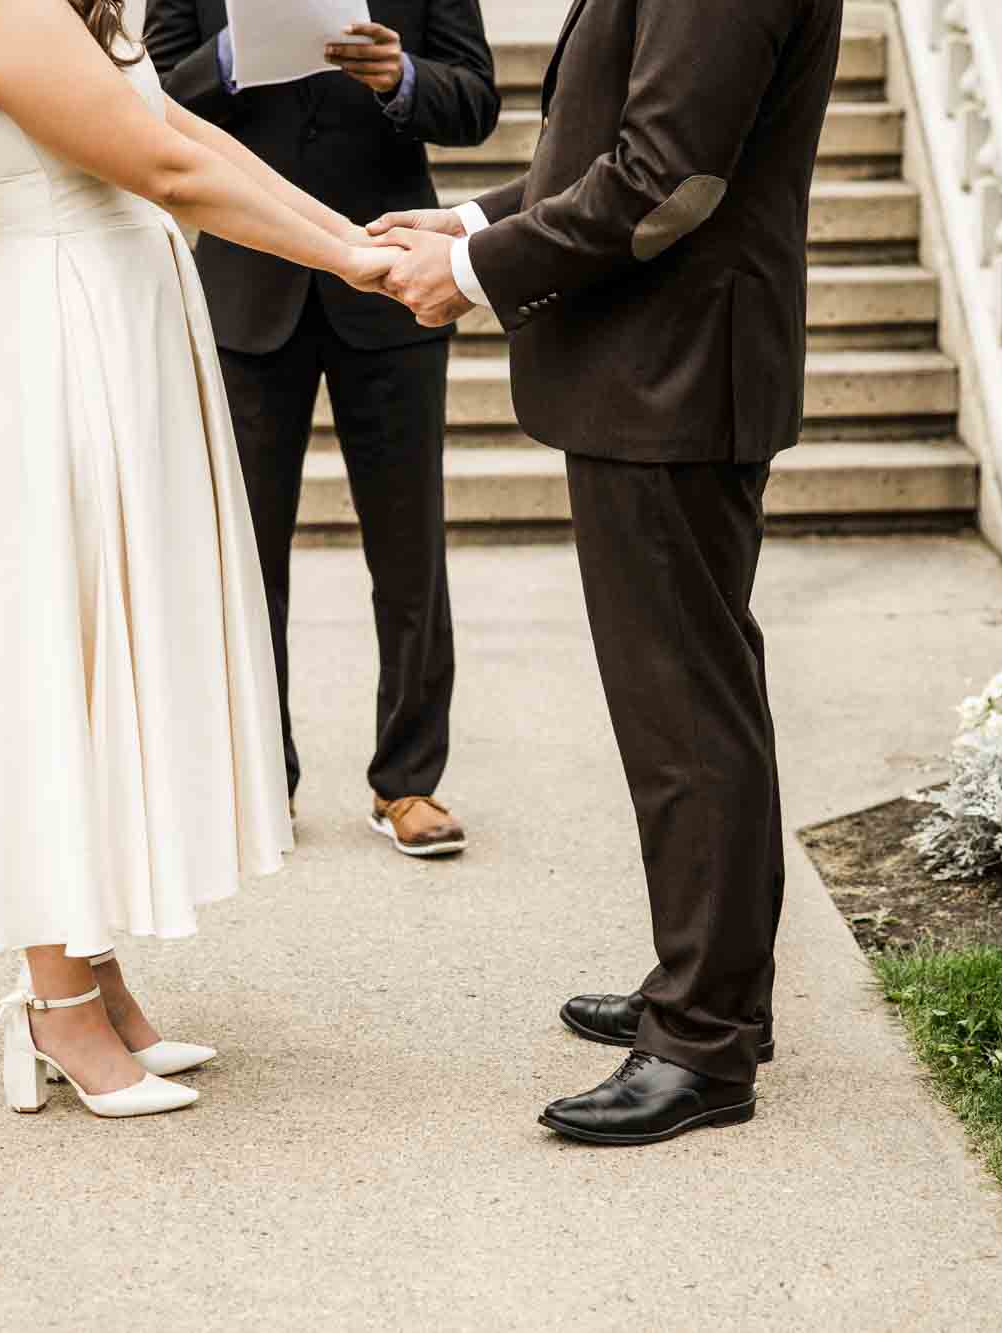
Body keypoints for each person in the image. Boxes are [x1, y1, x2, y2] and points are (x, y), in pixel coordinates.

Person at [0, 0, 396, 1119]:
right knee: (58, 649)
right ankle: (52, 1001)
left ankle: (93, 972)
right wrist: (351, 260)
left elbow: (196, 139)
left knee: (104, 654)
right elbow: (162, 165)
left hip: (105, 333)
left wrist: (355, 235)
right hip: (51, 357)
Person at [371, 0, 847, 1145]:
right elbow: (619, 139)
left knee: (686, 715)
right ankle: (711, 987)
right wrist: (472, 214)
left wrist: (478, 270)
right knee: (695, 703)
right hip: (662, 372)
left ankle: (702, 1044)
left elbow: (664, 181)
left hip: (675, 377)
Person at [144, 0, 499, 858]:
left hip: (391, 277)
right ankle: (261, 776)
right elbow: (146, 98)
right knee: (247, 551)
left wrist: (402, 79)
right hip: (246, 285)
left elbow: (477, 101)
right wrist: (232, 57)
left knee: (410, 547)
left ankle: (409, 780)